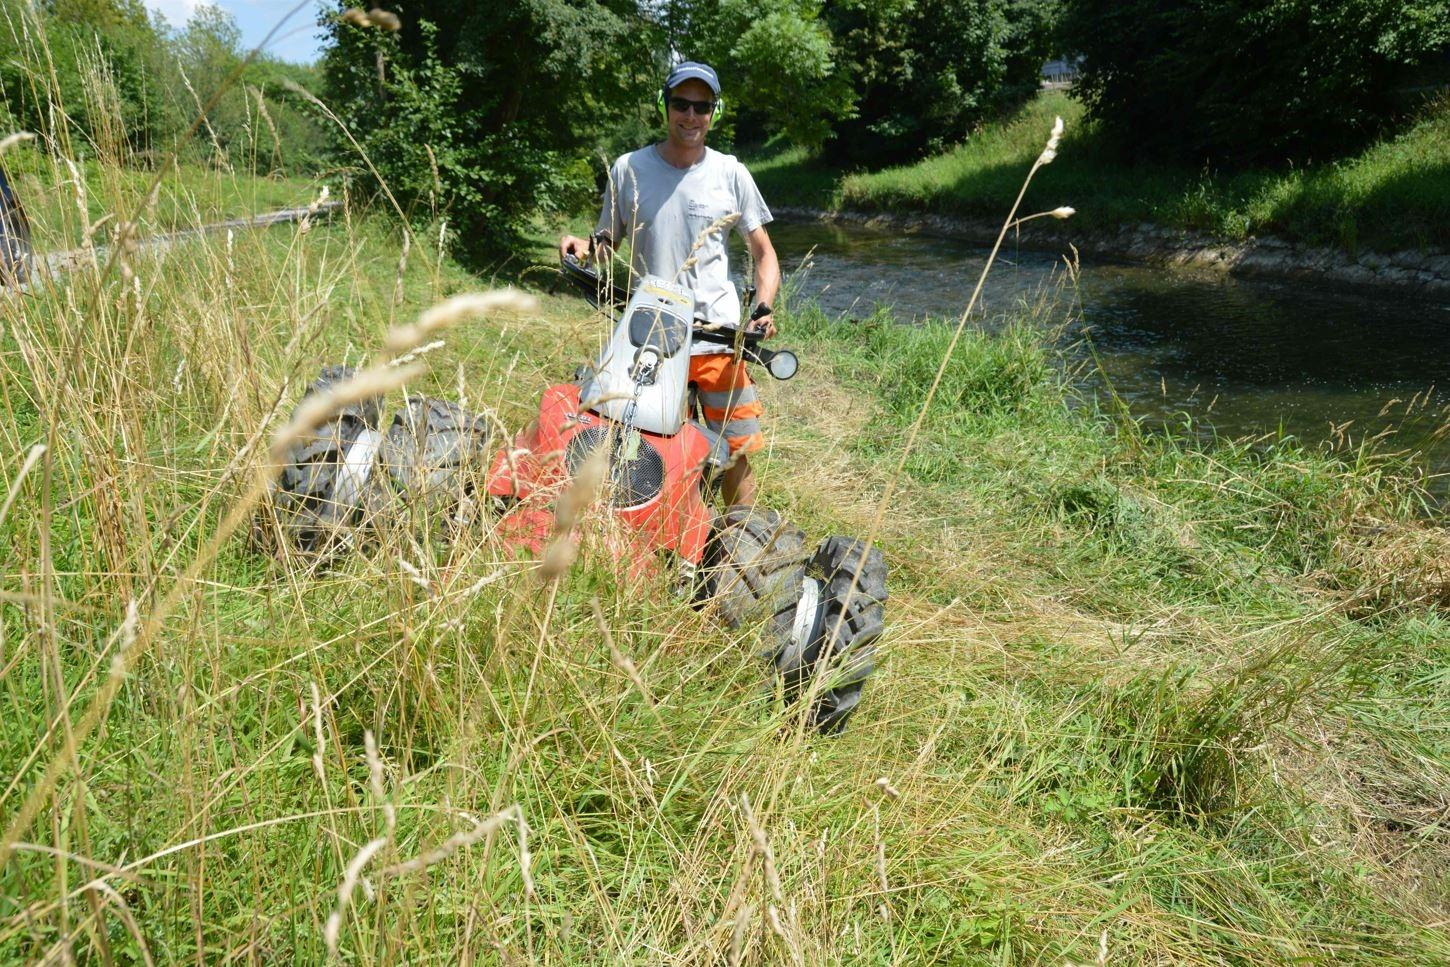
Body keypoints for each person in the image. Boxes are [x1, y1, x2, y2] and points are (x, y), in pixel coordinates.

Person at [560, 61, 780, 507]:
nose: (691, 116)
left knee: (736, 453)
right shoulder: (629, 169)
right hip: (650, 342)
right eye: (682, 104)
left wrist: (762, 308)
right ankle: (674, 546)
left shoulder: (730, 173)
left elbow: (765, 255)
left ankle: (741, 539)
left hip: (719, 340)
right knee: (658, 453)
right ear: (665, 106)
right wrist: (582, 248)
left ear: (714, 113)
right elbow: (607, 242)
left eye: (702, 107)